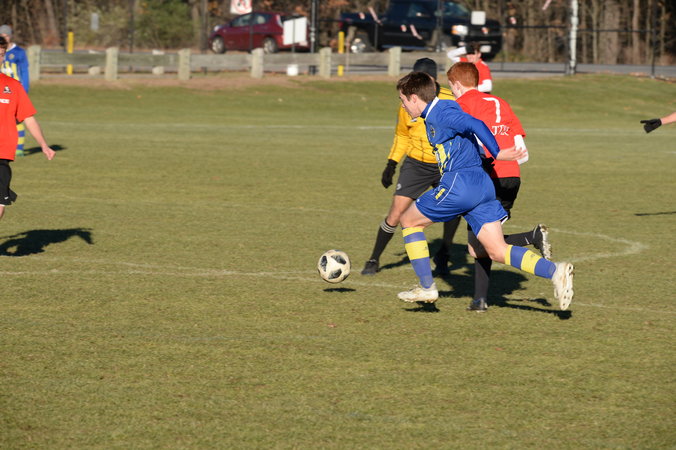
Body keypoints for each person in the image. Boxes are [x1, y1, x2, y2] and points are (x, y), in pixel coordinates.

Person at [395, 71, 574, 311]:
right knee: (497, 250)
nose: (403, 106)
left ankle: (426, 287)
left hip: (460, 184)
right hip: (482, 186)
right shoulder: (443, 109)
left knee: (408, 221)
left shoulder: (440, 113)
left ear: (415, 98)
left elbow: (476, 124)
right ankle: (555, 271)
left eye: (403, 100)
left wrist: (497, 152)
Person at [449, 62, 551, 311]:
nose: (451, 90)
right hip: (512, 176)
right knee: (480, 245)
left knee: (482, 245)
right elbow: (522, 152)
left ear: (457, 84)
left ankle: (534, 242)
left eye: (450, 86)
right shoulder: (500, 102)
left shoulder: (462, 105)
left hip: (486, 177)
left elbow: (466, 145)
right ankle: (480, 300)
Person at [362, 58, 461, 276]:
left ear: (432, 79)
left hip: (445, 164)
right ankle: (374, 258)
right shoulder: (407, 101)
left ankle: (444, 253)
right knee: (396, 213)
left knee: (453, 209)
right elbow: (402, 135)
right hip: (416, 164)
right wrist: (391, 163)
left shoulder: (451, 100)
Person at [0, 36, 55, 223]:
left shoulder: (13, 86)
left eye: (1, 54)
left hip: (2, 151)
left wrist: (43, 145)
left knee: (1, 204)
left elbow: (28, 118)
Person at [0, 25, 29, 157]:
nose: (4, 37)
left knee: (18, 119)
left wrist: (25, 90)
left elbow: (24, 72)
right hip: (2, 90)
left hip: (14, 91)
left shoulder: (18, 52)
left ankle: (19, 148)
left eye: (6, 35)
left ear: (10, 36)